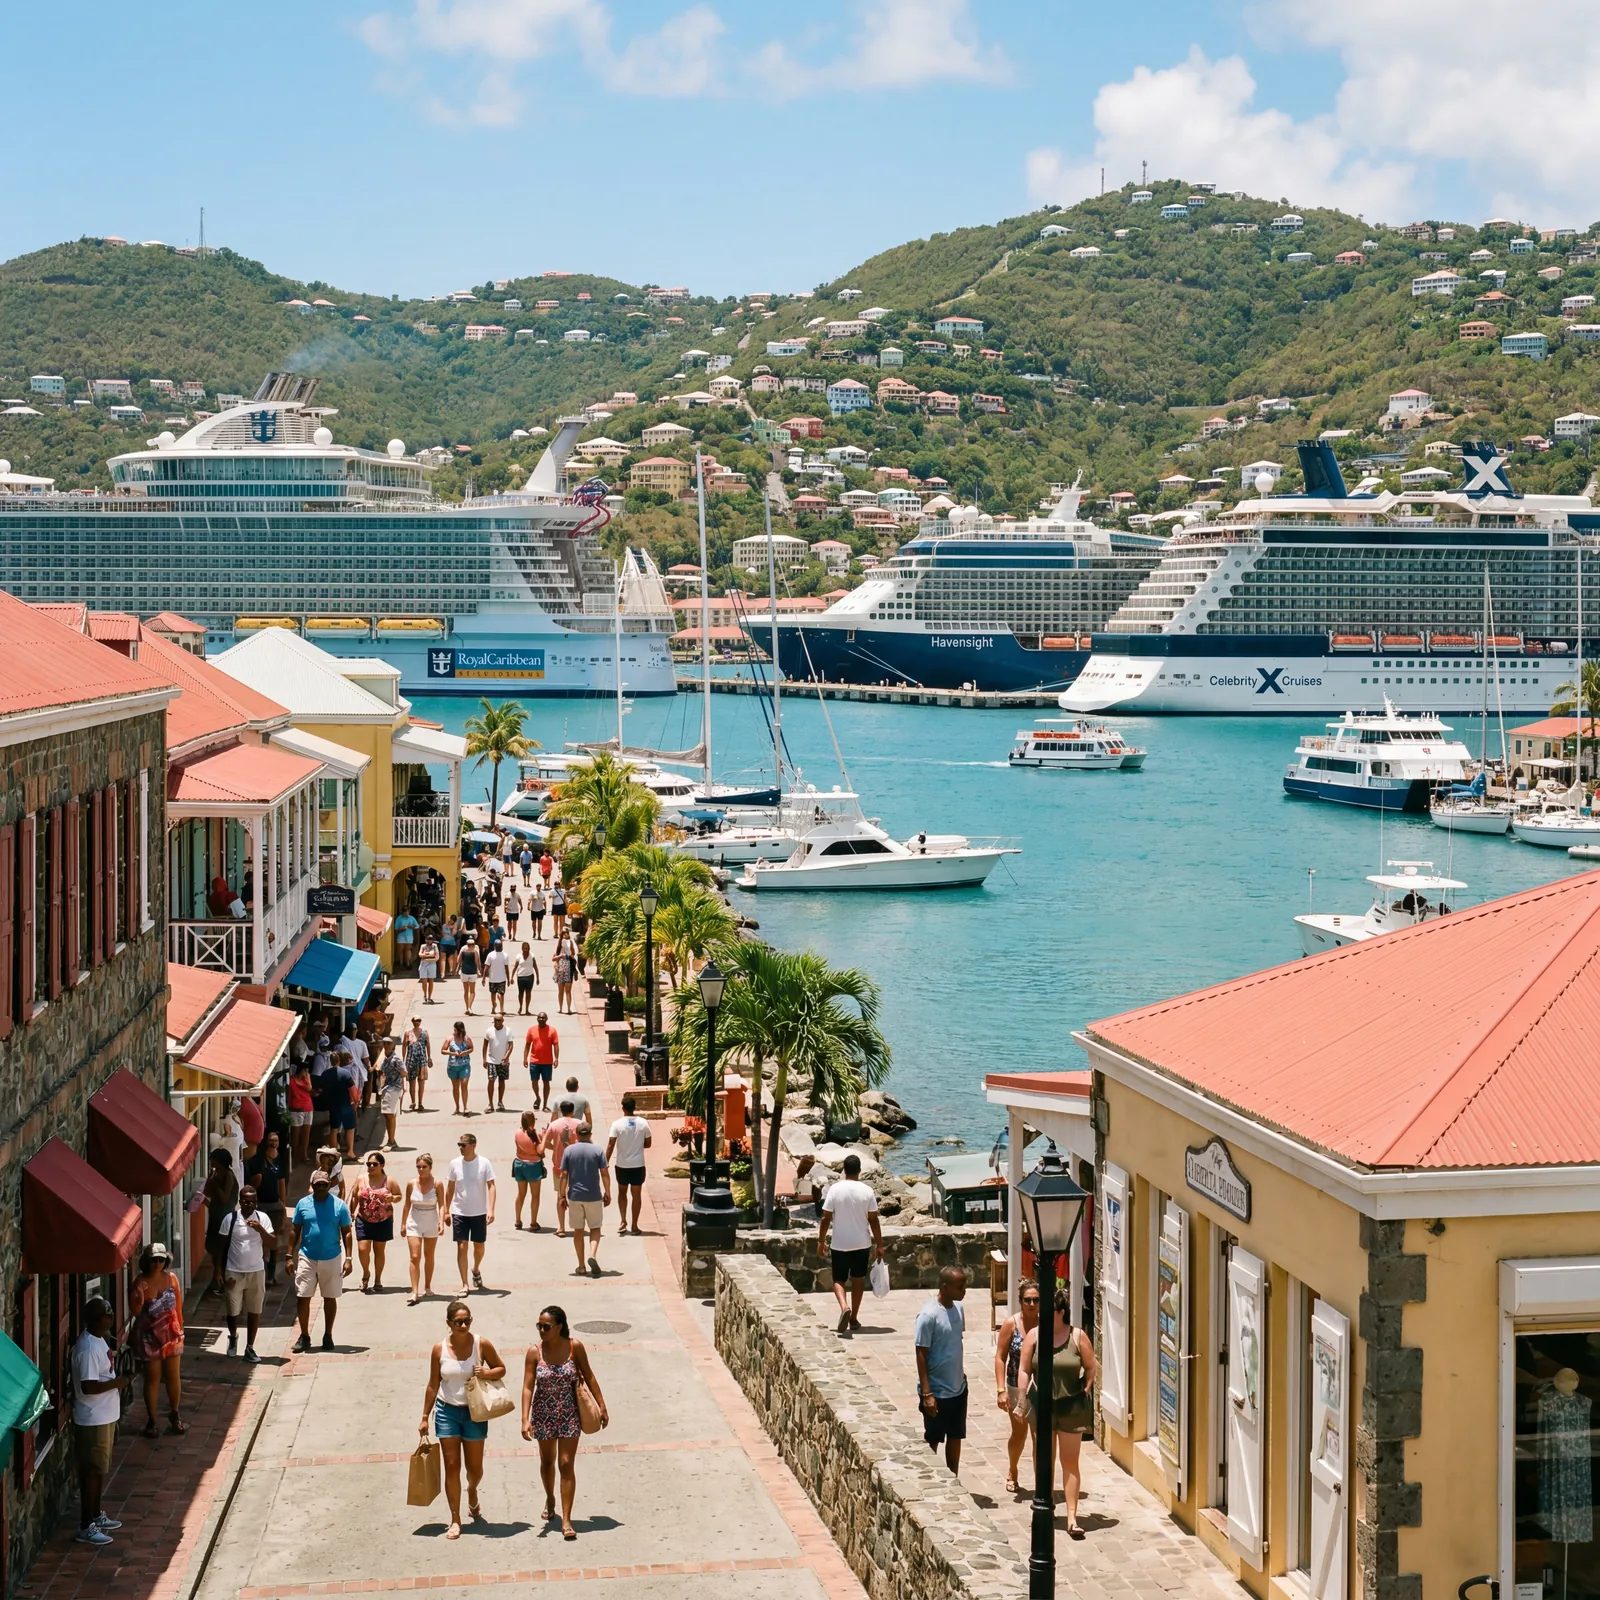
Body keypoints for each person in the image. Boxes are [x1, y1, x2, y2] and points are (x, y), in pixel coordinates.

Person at [420, 1301, 507, 1541]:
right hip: (447, 1411)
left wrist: (486, 1373)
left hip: (475, 1412)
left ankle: (472, 1490)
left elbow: (501, 1368)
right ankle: (455, 1518)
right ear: (448, 1323)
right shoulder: (439, 1350)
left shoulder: (481, 1344)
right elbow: (432, 1384)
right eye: (458, 1321)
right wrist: (425, 1416)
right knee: (451, 1466)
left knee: (475, 1469)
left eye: (467, 1320)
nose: (463, 1325)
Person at [521, 1304, 608, 1542]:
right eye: (539, 1326)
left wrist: (601, 1406)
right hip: (543, 1413)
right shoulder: (534, 1352)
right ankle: (550, 1498)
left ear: (559, 1327)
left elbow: (589, 1375)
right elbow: (528, 1386)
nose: (541, 1330)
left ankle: (566, 1519)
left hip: (569, 1412)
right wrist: (524, 1419)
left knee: (566, 1463)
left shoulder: (574, 1347)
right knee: (547, 1462)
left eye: (546, 1326)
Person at [1016, 1286, 1098, 1538]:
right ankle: (1045, 1506)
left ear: (1060, 1312)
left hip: (1070, 1406)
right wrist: (1022, 1398)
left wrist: (1085, 1389)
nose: (1040, 1312)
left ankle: (1072, 1517)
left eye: (1047, 1309)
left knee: (1070, 1461)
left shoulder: (1077, 1337)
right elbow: (1024, 1369)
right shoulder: (1034, 1336)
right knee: (1044, 1459)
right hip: (1042, 1404)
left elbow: (1091, 1366)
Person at [71, 1297, 123, 1545]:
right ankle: (85, 1526)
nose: (111, 1316)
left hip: (105, 1416)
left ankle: (95, 1516)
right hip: (93, 1419)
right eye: (107, 1313)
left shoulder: (99, 1339)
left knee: (99, 1469)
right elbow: (88, 1385)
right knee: (91, 1471)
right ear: (93, 1319)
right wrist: (119, 1383)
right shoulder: (88, 1348)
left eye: (111, 1311)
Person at [817, 1153, 884, 1334]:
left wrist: (821, 1241)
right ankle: (853, 1318)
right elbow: (874, 1220)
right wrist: (879, 1244)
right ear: (859, 1171)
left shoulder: (835, 1189)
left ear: (844, 1170)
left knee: (838, 1279)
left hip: (839, 1243)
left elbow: (825, 1218)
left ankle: (844, 1307)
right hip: (862, 1243)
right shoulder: (867, 1191)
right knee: (858, 1280)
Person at [291, 1169, 353, 1353]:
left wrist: (348, 1258)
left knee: (329, 1296)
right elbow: (295, 1229)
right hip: (307, 1256)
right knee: (302, 1296)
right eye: (317, 1184)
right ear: (312, 1185)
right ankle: (304, 1336)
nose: (321, 1188)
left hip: (332, 1256)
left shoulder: (339, 1205)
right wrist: (288, 1256)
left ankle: (328, 1335)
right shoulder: (303, 1204)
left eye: (324, 1185)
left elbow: (347, 1231)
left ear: (329, 1185)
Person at [915, 1266, 969, 1475]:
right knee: (934, 1438)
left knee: (956, 1436)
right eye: (959, 1287)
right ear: (945, 1287)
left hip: (958, 1388)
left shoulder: (958, 1309)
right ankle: (929, 1477)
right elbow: (921, 1353)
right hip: (936, 1392)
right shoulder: (928, 1316)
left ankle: (953, 1477)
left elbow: (955, 1342)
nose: (963, 1291)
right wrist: (927, 1393)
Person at [130, 1243, 186, 1436]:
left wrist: (181, 1330)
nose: (158, 1263)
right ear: (147, 1260)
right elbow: (135, 1311)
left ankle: (175, 1414)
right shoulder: (140, 1282)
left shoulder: (171, 1279)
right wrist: (139, 1298)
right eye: (154, 1259)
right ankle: (152, 1419)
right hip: (149, 1337)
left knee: (173, 1376)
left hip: (171, 1333)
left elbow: (178, 1307)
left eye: (161, 1259)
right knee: (152, 1378)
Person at [994, 1284, 1042, 1495]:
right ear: (1020, 1301)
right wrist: (1000, 1389)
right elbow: (1000, 1357)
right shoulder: (1010, 1324)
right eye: (1028, 1300)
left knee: (1038, 1436)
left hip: (1040, 1388)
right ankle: (1013, 1470)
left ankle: (1041, 1483)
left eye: (1036, 1300)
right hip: (1016, 1388)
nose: (1032, 1304)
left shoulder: (1046, 1324)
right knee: (1019, 1434)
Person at [219, 1185, 274, 1361]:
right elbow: (221, 1247)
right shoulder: (230, 1219)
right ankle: (233, 1337)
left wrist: (260, 1229)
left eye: (252, 1202)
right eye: (245, 1202)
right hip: (234, 1272)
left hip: (256, 1272)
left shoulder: (262, 1218)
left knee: (254, 1310)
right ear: (240, 1202)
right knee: (233, 1310)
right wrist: (219, 1273)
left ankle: (250, 1347)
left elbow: (273, 1243)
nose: (249, 1205)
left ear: (256, 1203)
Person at [445, 1132, 497, 1292]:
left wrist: (491, 1209)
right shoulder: (454, 1164)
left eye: (464, 1145)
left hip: (479, 1212)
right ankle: (464, 1284)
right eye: (459, 1145)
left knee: (479, 1246)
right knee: (462, 1246)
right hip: (460, 1212)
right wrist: (446, 1211)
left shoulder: (484, 1163)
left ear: (473, 1145)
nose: (461, 1148)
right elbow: (450, 1188)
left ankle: (475, 1268)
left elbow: (491, 1186)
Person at [560, 1124, 610, 1278]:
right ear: (590, 1134)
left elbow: (563, 1175)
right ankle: (592, 1255)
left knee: (578, 1231)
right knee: (595, 1228)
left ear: (576, 1134)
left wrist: (562, 1195)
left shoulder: (569, 1151)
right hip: (593, 1195)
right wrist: (608, 1192)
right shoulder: (598, 1150)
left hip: (575, 1196)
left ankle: (581, 1266)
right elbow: (604, 1173)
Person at [352, 1151, 403, 1291]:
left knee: (379, 1251)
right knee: (363, 1249)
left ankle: (378, 1279)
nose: (371, 1166)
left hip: (383, 1220)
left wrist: (392, 1198)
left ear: (382, 1165)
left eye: (374, 1164)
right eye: (369, 1164)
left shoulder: (389, 1180)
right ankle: (366, 1274)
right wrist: (351, 1212)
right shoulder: (361, 1179)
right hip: (363, 1219)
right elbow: (354, 1197)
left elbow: (399, 1196)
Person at [245, 1131, 288, 1285]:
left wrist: (283, 1206)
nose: (273, 1143)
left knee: (274, 1241)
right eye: (271, 1140)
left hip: (275, 1205)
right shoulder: (257, 1161)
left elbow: (282, 1183)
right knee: (261, 1240)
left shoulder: (280, 1160)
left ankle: (271, 1274)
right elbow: (251, 1185)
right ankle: (261, 1273)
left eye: (276, 1140)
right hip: (261, 1205)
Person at [605, 1096, 651, 1235]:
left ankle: (623, 1220)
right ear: (634, 1107)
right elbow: (648, 1143)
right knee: (636, 1194)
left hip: (622, 1164)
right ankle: (635, 1225)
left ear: (623, 1108)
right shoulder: (643, 1123)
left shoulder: (617, 1124)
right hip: (638, 1164)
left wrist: (605, 1161)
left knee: (622, 1192)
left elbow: (611, 1144)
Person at [402, 1152, 442, 1304]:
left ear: (430, 1167)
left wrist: (442, 1222)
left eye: (424, 1167)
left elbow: (442, 1204)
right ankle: (414, 1291)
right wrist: (403, 1223)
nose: (421, 1169)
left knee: (429, 1255)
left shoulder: (437, 1184)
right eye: (418, 1167)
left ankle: (428, 1286)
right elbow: (407, 1204)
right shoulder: (411, 1183)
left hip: (431, 1220)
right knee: (414, 1256)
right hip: (414, 1221)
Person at [202, 1148, 241, 1299]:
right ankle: (217, 1278)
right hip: (215, 1216)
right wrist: (210, 1180)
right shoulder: (216, 1174)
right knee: (213, 1248)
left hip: (224, 1219)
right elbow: (207, 1192)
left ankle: (221, 1280)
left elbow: (225, 1198)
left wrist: (216, 1185)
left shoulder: (228, 1176)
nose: (211, 1162)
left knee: (221, 1251)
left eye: (213, 1160)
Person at [542, 1099, 581, 1237]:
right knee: (576, 1196)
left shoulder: (553, 1125)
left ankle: (561, 1227)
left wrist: (555, 1148)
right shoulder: (580, 1124)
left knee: (560, 1195)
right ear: (572, 1111)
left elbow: (543, 1145)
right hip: (577, 1165)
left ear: (560, 1111)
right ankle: (578, 1226)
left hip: (559, 1164)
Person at [513, 1110, 546, 1230]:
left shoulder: (517, 1132)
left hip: (518, 1164)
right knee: (535, 1195)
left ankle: (517, 1220)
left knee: (521, 1194)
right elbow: (540, 1150)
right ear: (533, 1121)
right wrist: (544, 1135)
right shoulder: (536, 1135)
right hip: (533, 1166)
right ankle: (533, 1222)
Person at [524, 1012, 558, 1109]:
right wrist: (525, 1058)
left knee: (546, 1082)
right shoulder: (531, 1030)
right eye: (539, 1018)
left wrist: (556, 1058)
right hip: (534, 1061)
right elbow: (527, 1045)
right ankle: (538, 1097)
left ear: (546, 1019)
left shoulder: (552, 1030)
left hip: (547, 1062)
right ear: (537, 1019)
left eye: (543, 1018)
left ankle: (545, 1104)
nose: (541, 1019)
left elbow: (556, 1045)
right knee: (534, 1081)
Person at [482, 1016, 513, 1113]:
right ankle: (490, 1103)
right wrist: (484, 1059)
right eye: (495, 1020)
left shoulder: (508, 1031)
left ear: (503, 1021)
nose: (497, 1022)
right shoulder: (489, 1031)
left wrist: (506, 1056)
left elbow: (511, 1046)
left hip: (503, 1061)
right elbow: (485, 1045)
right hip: (491, 1060)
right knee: (491, 1080)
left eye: (499, 1020)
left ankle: (500, 1102)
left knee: (502, 1081)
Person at [442, 1020, 474, 1116]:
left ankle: (465, 1107)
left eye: (456, 1030)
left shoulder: (466, 1038)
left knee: (464, 1085)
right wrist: (452, 1053)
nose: (454, 1032)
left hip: (464, 1065)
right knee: (455, 1087)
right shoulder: (450, 1039)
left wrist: (465, 1052)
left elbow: (471, 1048)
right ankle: (457, 1106)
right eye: (454, 1029)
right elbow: (443, 1050)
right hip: (453, 1066)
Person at [287, 1057, 315, 1163]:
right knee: (295, 1134)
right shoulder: (292, 1081)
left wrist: (307, 1078)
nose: (306, 1072)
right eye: (305, 1070)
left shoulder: (306, 1079)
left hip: (308, 1107)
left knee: (306, 1133)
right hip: (296, 1109)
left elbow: (309, 1089)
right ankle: (294, 1155)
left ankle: (304, 1153)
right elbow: (289, 1095)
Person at [404, 1017, 431, 1113]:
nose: (417, 1022)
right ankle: (413, 1101)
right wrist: (403, 1060)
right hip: (411, 1060)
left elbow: (428, 1045)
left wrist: (429, 1058)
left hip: (422, 1060)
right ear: (412, 1021)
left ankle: (420, 1103)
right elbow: (404, 1046)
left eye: (419, 1020)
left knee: (421, 1081)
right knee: (412, 1081)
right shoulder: (407, 1032)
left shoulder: (424, 1032)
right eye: (415, 1020)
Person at [483, 941, 511, 1020]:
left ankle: (500, 1009)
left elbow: (506, 968)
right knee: (495, 994)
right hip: (495, 978)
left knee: (498, 994)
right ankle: (495, 1006)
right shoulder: (492, 955)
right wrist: (484, 977)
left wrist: (508, 979)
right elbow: (486, 967)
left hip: (499, 978)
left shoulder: (502, 955)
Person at [552, 931, 578, 1015]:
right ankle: (560, 1008)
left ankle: (569, 1008)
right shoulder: (559, 946)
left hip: (568, 969)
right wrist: (560, 956)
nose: (565, 935)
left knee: (568, 990)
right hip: (560, 970)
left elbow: (573, 956)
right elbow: (554, 958)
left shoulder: (570, 944)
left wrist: (569, 953)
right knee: (560, 991)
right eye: (563, 934)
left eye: (566, 934)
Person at [514, 942, 540, 1016]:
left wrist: (538, 978)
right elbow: (515, 967)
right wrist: (512, 977)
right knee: (520, 993)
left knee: (528, 994)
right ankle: (520, 1007)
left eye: (527, 948)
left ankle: (527, 1009)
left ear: (529, 949)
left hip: (529, 976)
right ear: (522, 949)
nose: (525, 950)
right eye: (524, 948)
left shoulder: (532, 956)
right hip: (520, 977)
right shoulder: (519, 956)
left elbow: (535, 967)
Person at [457, 936, 480, 1015]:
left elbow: (458, 960)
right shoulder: (475, 951)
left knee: (466, 991)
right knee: (472, 991)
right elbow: (477, 962)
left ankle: (467, 1007)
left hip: (464, 972)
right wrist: (479, 970)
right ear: (473, 944)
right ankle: (470, 1007)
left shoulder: (463, 950)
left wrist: (457, 968)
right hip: (473, 972)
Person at [417, 929, 441, 1004]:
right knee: (424, 981)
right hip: (424, 965)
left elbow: (436, 957)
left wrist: (427, 957)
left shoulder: (435, 946)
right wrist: (430, 955)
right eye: (428, 939)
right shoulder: (423, 946)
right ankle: (425, 995)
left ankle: (430, 997)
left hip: (432, 964)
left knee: (431, 980)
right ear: (426, 940)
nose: (429, 941)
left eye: (431, 940)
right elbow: (420, 955)